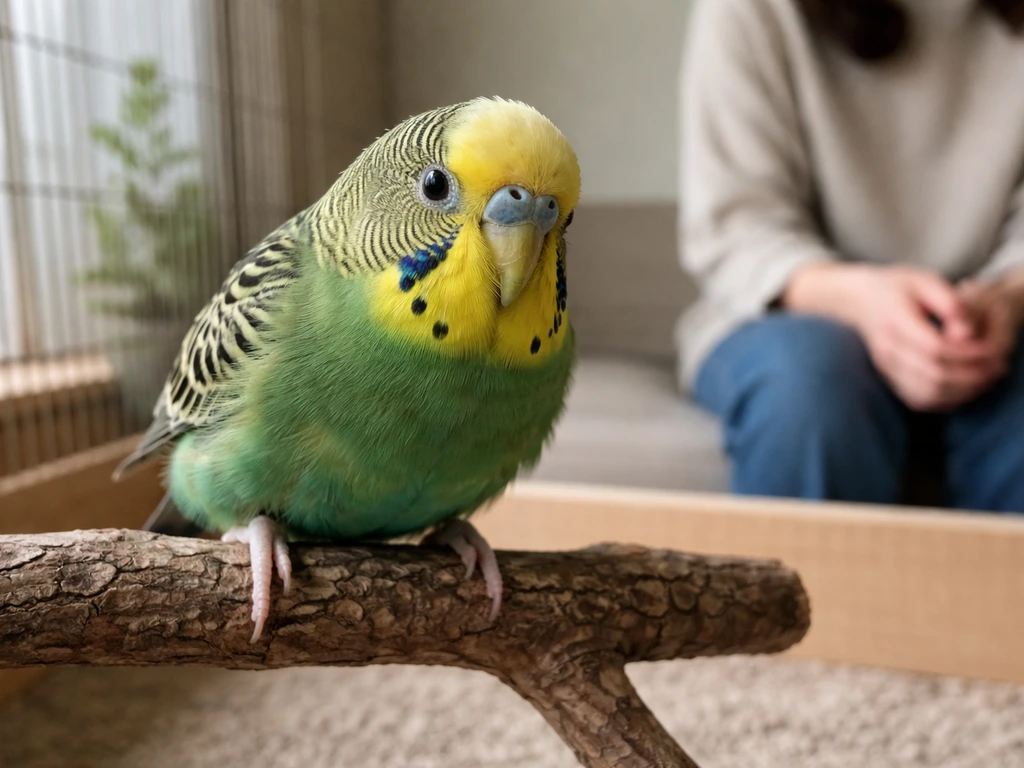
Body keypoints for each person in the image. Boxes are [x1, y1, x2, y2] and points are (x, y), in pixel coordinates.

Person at [676, 0, 1024, 511]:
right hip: (792, 313)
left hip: (999, 319)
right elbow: (737, 225)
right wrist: (866, 302)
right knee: (809, 394)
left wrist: (1007, 300)